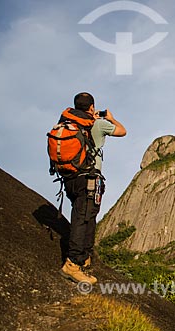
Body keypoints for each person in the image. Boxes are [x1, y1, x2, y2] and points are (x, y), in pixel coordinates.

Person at [60, 92, 126, 284]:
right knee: (83, 218)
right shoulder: (97, 124)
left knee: (85, 215)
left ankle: (84, 257)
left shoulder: (68, 123)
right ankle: (72, 265)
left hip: (70, 178)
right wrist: (110, 118)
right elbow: (122, 131)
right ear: (91, 107)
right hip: (89, 178)